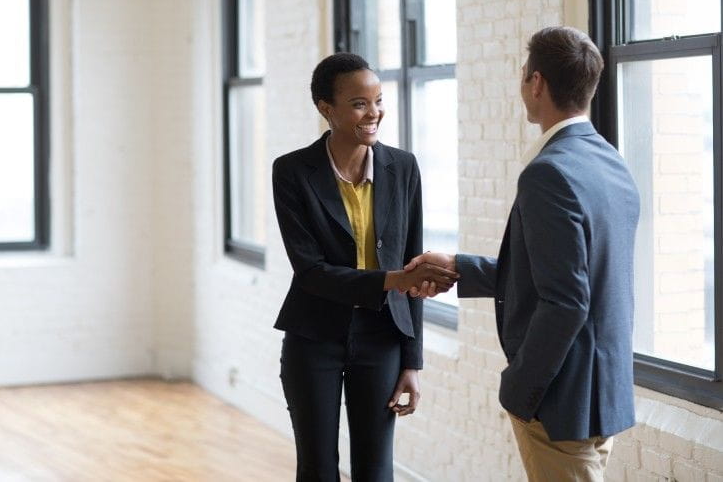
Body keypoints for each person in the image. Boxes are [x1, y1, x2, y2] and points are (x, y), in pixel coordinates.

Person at [406, 27, 640, 481]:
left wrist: (519, 389)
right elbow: (566, 277)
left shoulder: (548, 173)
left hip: (559, 401)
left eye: (521, 74)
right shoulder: (610, 160)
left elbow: (566, 302)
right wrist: (460, 268)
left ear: (537, 83)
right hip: (601, 395)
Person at [272, 52, 459, 482]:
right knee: (318, 469)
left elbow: (414, 270)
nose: (373, 112)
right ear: (326, 109)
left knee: (376, 472)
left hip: (383, 339)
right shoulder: (292, 172)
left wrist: (412, 363)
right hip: (313, 337)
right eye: (359, 103)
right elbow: (311, 271)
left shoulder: (403, 167)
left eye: (377, 100)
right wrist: (395, 279)